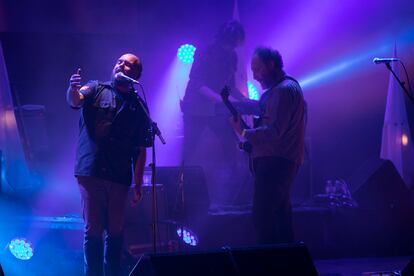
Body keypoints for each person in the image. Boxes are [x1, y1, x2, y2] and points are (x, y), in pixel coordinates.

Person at [66, 53, 151, 275]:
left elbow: (141, 149)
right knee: (93, 229)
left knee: (116, 230)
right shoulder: (96, 88)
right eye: (119, 61)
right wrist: (73, 89)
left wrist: (139, 184)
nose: (121, 65)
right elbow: (76, 100)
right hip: (92, 170)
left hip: (120, 174)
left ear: (136, 75)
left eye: (128, 64)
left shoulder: (139, 106)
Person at [230, 47, 306, 244]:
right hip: (281, 160)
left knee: (263, 216)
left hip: (276, 162)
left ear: (271, 64)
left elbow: (274, 132)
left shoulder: (282, 91)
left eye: (258, 70)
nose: (255, 76)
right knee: (280, 217)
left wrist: (244, 132)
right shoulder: (285, 89)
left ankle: (271, 265)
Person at [181, 20, 249, 206]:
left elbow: (230, 86)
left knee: (230, 147)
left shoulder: (232, 56)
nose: (233, 47)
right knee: (189, 150)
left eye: (236, 43)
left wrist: (244, 100)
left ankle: (233, 197)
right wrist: (222, 99)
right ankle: (180, 192)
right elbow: (197, 83)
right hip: (196, 109)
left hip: (216, 110)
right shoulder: (205, 51)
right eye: (232, 42)